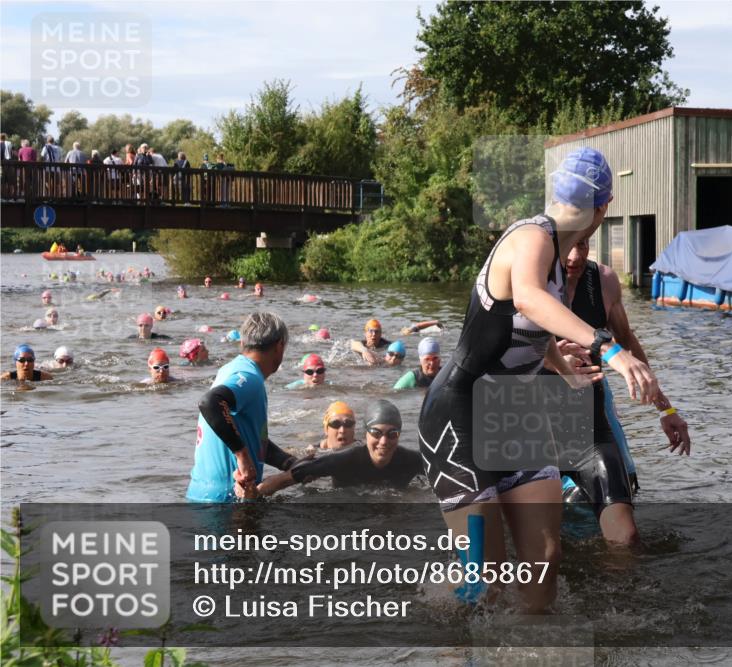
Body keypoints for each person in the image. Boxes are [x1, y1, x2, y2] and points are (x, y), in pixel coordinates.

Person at [416, 147, 661, 612]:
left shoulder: (554, 257)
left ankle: (530, 646)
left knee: (545, 559)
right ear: (604, 210)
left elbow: (525, 319)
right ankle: (447, 637)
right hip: (459, 414)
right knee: (485, 581)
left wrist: (563, 367)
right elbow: (527, 299)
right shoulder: (533, 237)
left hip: (511, 412)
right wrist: (608, 350)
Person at [553, 235, 691, 545]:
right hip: (534, 410)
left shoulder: (603, 281)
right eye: (568, 246)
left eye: (584, 244)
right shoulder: (534, 282)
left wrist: (666, 409)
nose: (575, 256)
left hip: (590, 405)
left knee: (626, 490)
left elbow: (627, 343)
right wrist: (553, 363)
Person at [186, 312, 300, 503]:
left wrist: (288, 462)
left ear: (242, 344)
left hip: (201, 495)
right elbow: (210, 403)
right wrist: (243, 457)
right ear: (280, 345)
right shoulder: (250, 377)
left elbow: (251, 437)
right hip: (224, 502)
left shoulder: (231, 369)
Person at [248, 400, 423, 497]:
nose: (384, 441)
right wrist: (254, 494)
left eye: (392, 434)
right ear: (365, 434)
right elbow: (286, 479)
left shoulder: (411, 460)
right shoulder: (345, 459)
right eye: (376, 433)